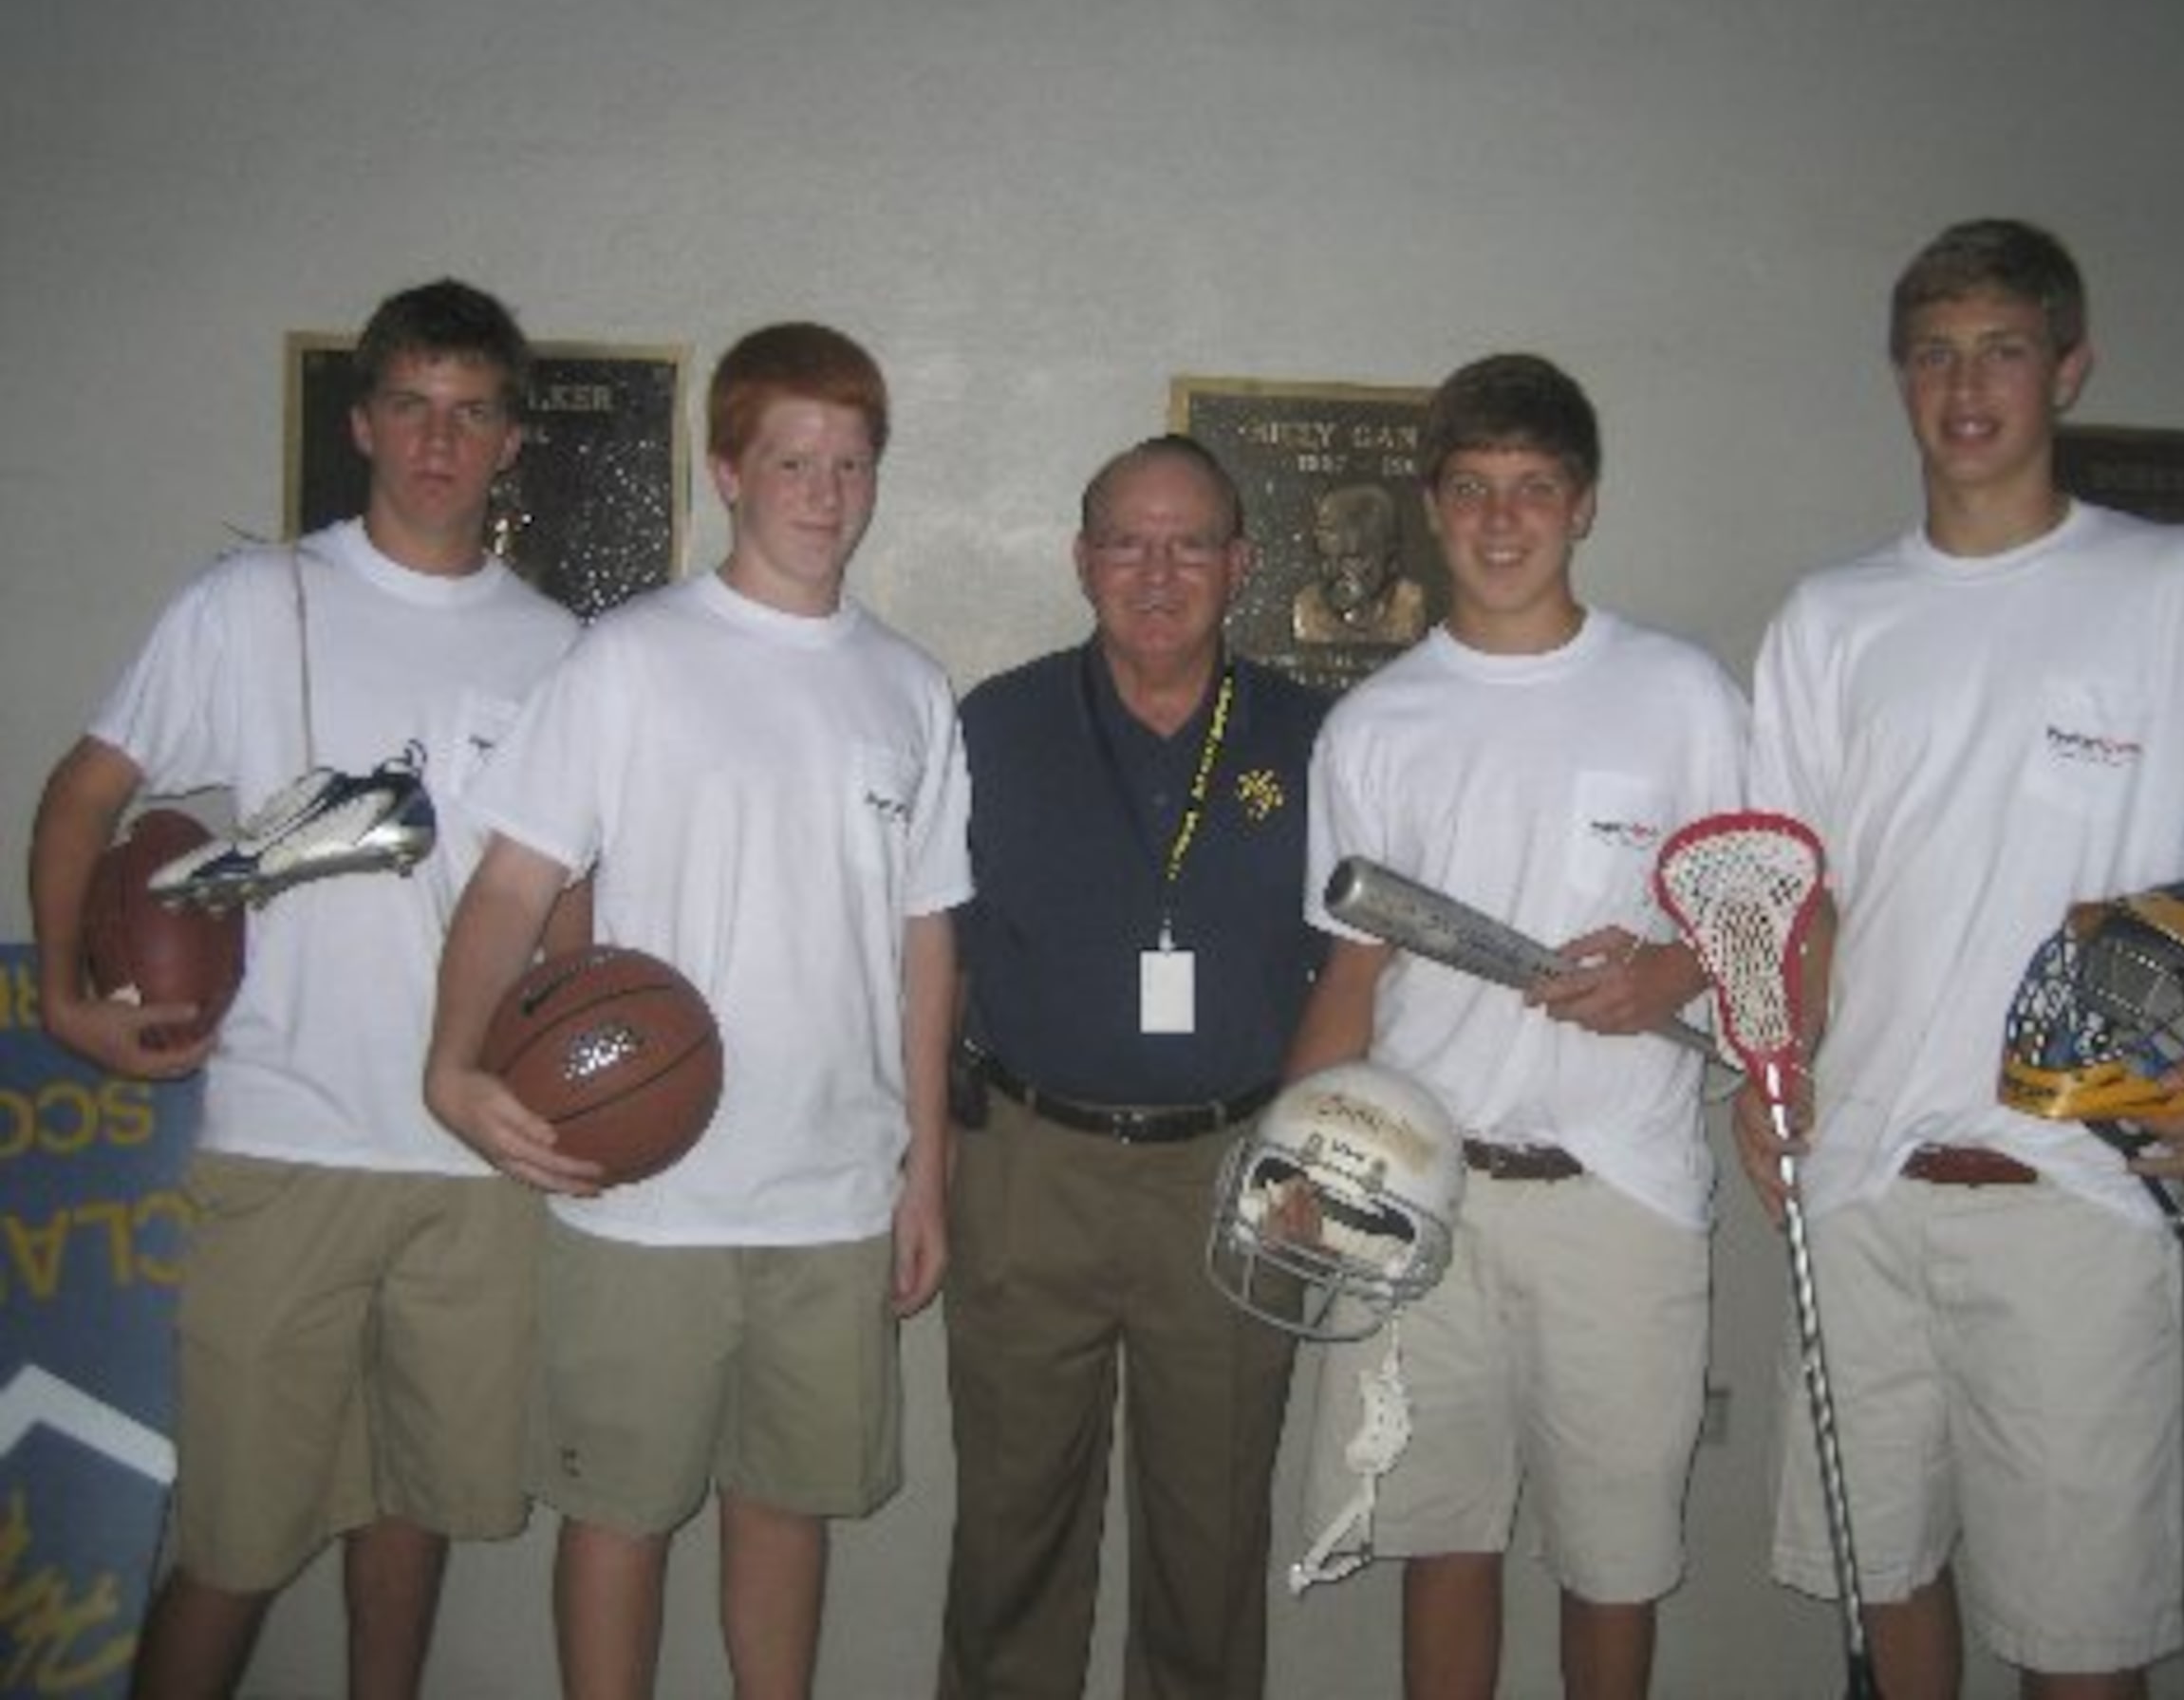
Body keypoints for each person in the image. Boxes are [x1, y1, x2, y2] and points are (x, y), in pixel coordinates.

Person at [1738, 217, 2184, 1699]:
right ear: (1900, 379)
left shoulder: (2175, 588)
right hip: (1862, 1190)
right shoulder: (1832, 619)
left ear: (2069, 369)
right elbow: (1806, 897)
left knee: (2081, 1652)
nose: (1968, 387)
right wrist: (1765, 1059)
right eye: (1936, 354)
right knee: (1888, 1612)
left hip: (2080, 1197)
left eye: (2004, 350)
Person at [27, 279, 582, 1700]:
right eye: (410, 405)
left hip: (471, 1163)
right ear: (362, 422)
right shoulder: (247, 599)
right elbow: (88, 791)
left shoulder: (557, 647)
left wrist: (573, 1061)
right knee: (235, 1541)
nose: (438, 442)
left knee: (410, 1514)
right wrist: (65, 994)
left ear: (512, 437)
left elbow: (564, 907)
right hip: (284, 1145)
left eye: (470, 412)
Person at [421, 321, 970, 1700]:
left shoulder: (907, 688)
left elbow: (925, 940)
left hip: (831, 1188)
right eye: (793, 457)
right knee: (621, 1517)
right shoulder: (632, 657)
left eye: (851, 460)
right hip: (643, 1185)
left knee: (786, 1508)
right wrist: (450, 1065)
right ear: (728, 469)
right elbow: (509, 886)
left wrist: (926, 1172)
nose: (825, 488)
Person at [1286, 353, 1746, 1700]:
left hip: (1622, 1192)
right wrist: (1297, 1164)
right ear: (1433, 503)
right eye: (1474, 489)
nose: (1502, 521)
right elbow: (1351, 980)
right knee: (1445, 1539)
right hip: (1423, 1192)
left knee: (1613, 1561)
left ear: (1584, 504)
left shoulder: (1680, 692)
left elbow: (1771, 920)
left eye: (1534, 488)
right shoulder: (1378, 723)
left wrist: (1672, 975)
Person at [940, 434, 1329, 1700]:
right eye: (1127, 541)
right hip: (1024, 1161)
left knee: (1209, 1548)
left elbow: (1361, 973)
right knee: (1009, 1531)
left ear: (1240, 562)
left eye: (1189, 543)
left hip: (1236, 1170)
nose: (1157, 572)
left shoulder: (1317, 736)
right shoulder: (994, 724)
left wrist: (1319, 1146)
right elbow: (932, 947)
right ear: (1081, 559)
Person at [1290, 481, 1429, 646]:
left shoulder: (1410, 604)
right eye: (1326, 559)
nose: (1334, 572)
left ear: (1390, 557)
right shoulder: (1308, 607)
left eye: (1352, 559)